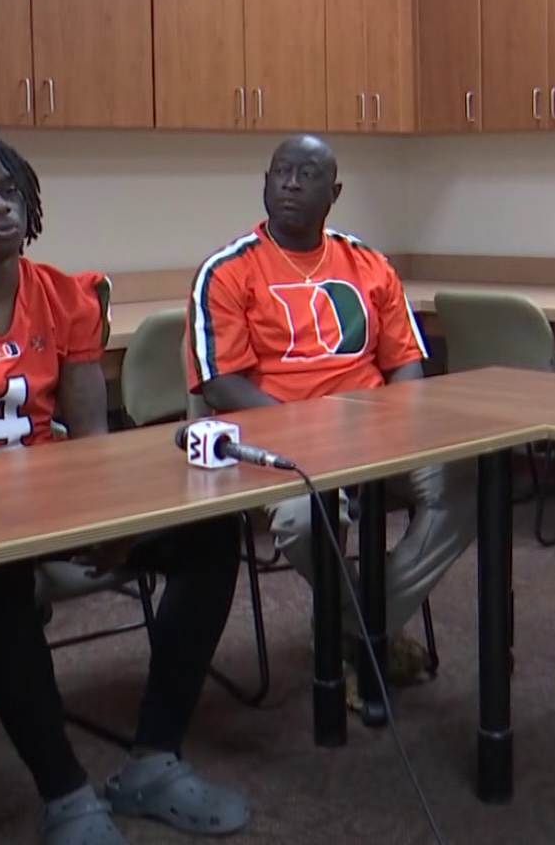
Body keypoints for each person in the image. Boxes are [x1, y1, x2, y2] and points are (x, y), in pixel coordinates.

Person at [0, 129, 247, 845]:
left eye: (9, 191)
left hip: (52, 492)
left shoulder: (68, 296)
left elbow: (89, 440)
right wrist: (50, 526)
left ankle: (154, 758)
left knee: (209, 531)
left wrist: (107, 517)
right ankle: (66, 795)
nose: (0, 207)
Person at [188, 134, 472, 709]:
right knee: (301, 521)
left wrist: (396, 425)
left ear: (334, 192)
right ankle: (370, 632)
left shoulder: (369, 264)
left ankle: (355, 630)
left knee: (468, 484)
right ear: (265, 183)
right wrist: (309, 434)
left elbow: (406, 365)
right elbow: (221, 383)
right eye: (281, 172)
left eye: (308, 174)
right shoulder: (228, 270)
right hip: (282, 443)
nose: (291, 183)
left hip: (378, 435)